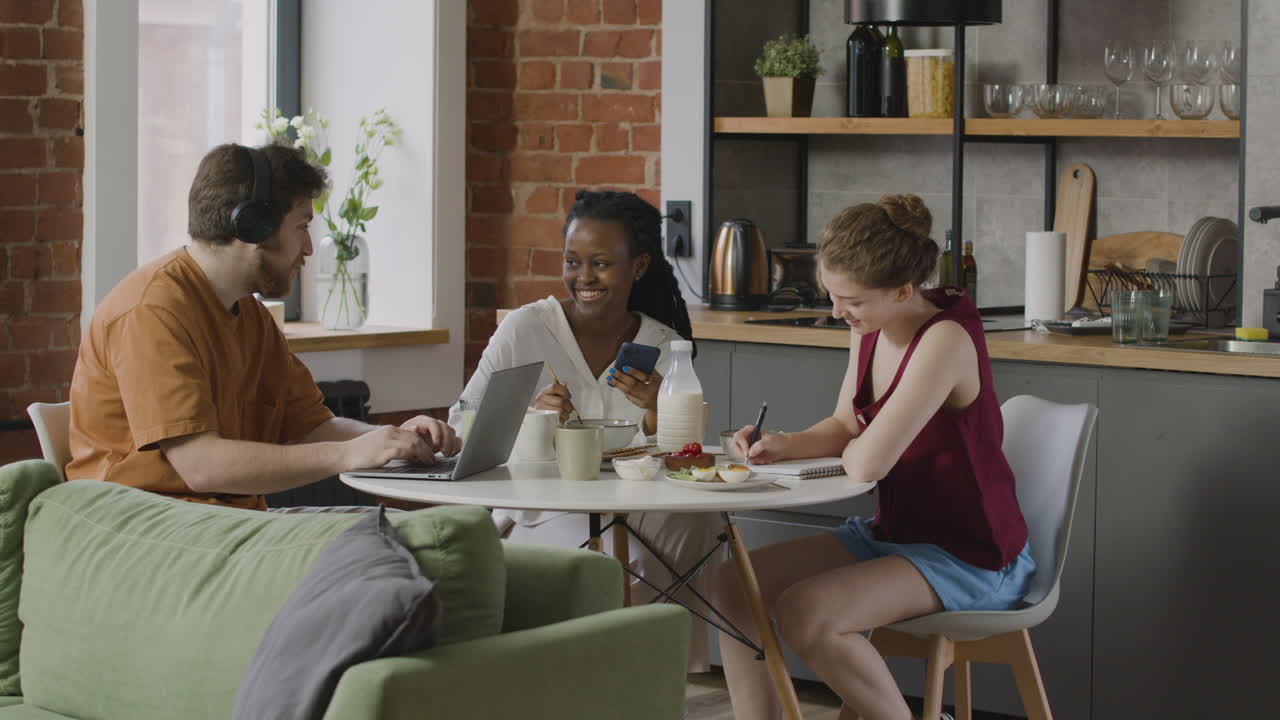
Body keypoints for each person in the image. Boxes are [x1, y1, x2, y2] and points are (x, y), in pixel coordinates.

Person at [717, 195, 1037, 720]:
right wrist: (784, 442)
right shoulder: (869, 327)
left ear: (904, 291)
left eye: (852, 301)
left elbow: (867, 465)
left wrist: (855, 445)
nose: (839, 312)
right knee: (731, 585)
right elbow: (847, 426)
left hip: (970, 554)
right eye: (832, 295)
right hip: (897, 534)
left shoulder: (945, 341)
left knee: (807, 613)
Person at [66, 143, 459, 511]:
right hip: (148, 530)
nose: (308, 249)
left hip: (225, 525)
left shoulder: (250, 316)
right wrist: (349, 454)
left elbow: (312, 427)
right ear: (254, 226)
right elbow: (201, 466)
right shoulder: (152, 310)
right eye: (302, 226)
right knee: (385, 547)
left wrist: (394, 439)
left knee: (393, 539)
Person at [451, 189, 720, 671]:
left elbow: (687, 457)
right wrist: (532, 413)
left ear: (637, 267)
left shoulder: (663, 343)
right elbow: (461, 423)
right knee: (618, 556)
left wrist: (661, 410)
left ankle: (657, 667)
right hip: (543, 507)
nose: (583, 278)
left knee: (702, 522)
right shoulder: (525, 330)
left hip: (634, 504)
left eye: (600, 264)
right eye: (573, 262)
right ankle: (607, 670)